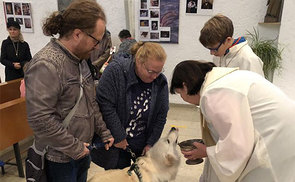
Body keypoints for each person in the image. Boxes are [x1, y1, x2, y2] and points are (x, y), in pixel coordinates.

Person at [24, 0, 114, 181]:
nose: (97, 46)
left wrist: (103, 131)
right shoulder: (47, 64)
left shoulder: (80, 60)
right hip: (59, 160)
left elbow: (90, 102)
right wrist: (75, 147)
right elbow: (40, 119)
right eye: (96, 40)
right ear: (77, 34)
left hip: (81, 151)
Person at [170, 60, 295, 182]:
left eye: (180, 93)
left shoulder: (214, 93)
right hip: (285, 131)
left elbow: (237, 145)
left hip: (274, 140)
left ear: (185, 86)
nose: (183, 98)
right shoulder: (226, 79)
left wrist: (207, 151)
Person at [91, 41, 169, 170]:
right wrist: (119, 136)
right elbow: (105, 106)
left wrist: (151, 143)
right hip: (118, 144)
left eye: (159, 72)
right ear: (138, 61)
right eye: (151, 71)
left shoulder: (160, 81)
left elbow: (161, 116)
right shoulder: (116, 71)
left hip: (142, 142)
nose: (155, 77)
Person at [199, 14, 264, 76]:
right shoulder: (218, 55)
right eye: (209, 49)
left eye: (214, 49)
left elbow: (259, 87)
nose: (211, 53)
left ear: (228, 40)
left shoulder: (249, 59)